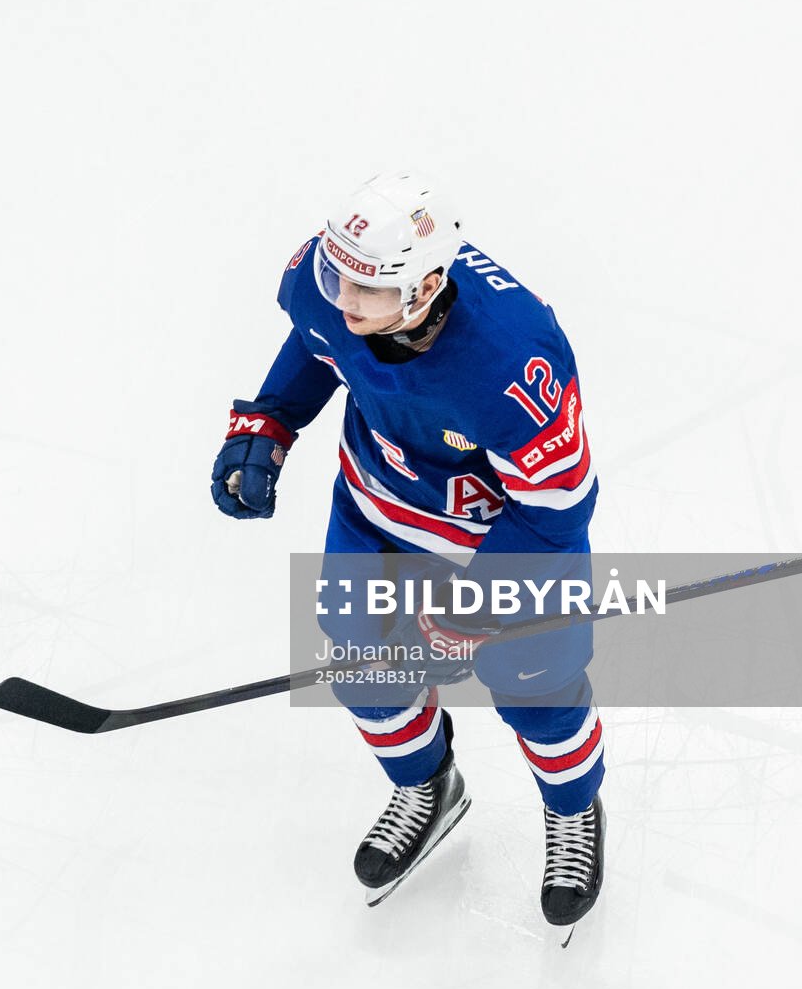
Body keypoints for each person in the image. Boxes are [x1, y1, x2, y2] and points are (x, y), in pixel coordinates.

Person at [210, 172, 605, 924]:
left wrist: (479, 600)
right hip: (376, 512)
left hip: (505, 542)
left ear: (424, 288)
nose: (342, 299)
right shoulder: (335, 288)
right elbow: (320, 342)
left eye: (365, 289)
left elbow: (559, 506)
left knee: (535, 688)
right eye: (336, 277)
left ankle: (573, 809)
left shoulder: (512, 361)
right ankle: (428, 785)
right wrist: (271, 421)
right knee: (366, 668)